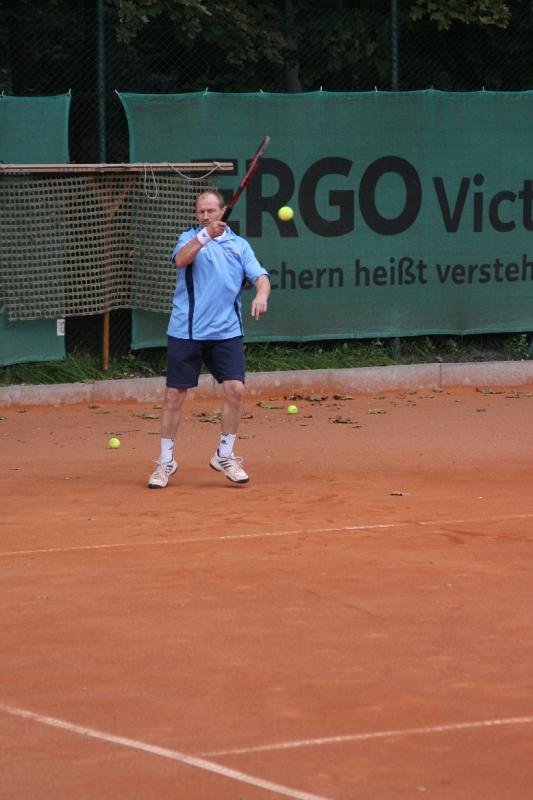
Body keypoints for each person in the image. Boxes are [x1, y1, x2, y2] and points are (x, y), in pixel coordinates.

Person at [148, 189, 271, 489]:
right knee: (174, 396)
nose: (205, 216)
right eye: (201, 211)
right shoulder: (188, 238)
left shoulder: (239, 245)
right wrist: (205, 236)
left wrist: (261, 295)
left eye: (211, 211)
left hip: (226, 332)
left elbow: (261, 277)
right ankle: (165, 461)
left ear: (222, 211)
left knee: (235, 390)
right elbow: (180, 260)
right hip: (186, 331)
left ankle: (224, 455)